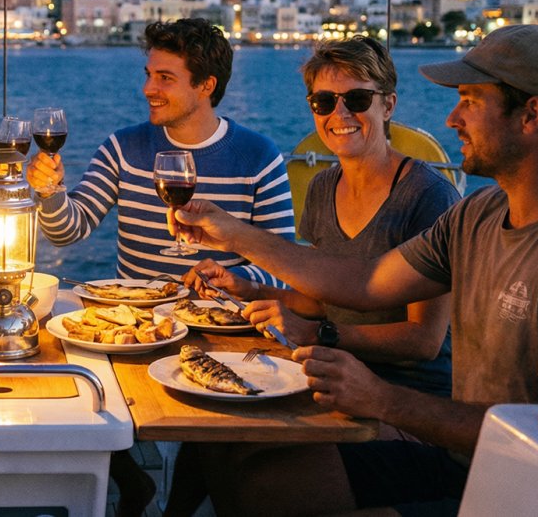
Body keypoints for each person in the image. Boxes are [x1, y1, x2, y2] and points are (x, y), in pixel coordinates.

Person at [173, 24, 538, 516]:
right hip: (458, 453)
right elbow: (367, 282)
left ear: (531, 114)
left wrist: (383, 399)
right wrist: (231, 233)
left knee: (267, 483)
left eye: (471, 100)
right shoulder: (479, 214)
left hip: (520, 489)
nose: (452, 118)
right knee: (232, 453)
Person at [163, 37, 458, 516]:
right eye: (323, 101)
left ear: (388, 105)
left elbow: (424, 340)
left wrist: (320, 335)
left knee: (259, 474)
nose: (339, 113)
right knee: (211, 436)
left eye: (356, 99)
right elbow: (322, 300)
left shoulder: (428, 196)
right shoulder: (323, 186)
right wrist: (250, 289)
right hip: (329, 376)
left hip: (405, 402)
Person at [27, 17, 294, 286]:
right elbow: (66, 232)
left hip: (219, 312)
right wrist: (49, 190)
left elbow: (285, 267)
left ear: (206, 85)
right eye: (149, 75)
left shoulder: (259, 157)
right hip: (133, 312)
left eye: (165, 78)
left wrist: (231, 279)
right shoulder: (122, 148)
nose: (148, 89)